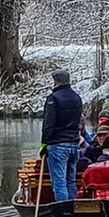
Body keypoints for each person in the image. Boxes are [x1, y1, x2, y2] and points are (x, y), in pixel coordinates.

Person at [39, 69, 84, 205]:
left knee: (59, 181)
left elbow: (49, 123)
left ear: (56, 81)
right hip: (74, 144)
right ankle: (73, 208)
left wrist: (44, 143)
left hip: (58, 145)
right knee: (71, 180)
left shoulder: (53, 98)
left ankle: (64, 211)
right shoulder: (77, 98)